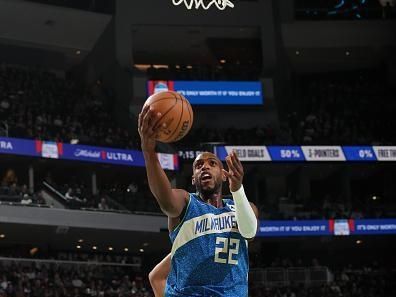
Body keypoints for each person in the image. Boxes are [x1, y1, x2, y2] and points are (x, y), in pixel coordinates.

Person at [138, 105, 259, 297]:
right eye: (198, 165)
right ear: (193, 178)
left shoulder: (243, 208)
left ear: (224, 174)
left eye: (212, 163)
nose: (205, 167)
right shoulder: (185, 202)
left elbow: (249, 232)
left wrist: (238, 190)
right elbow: (166, 201)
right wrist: (149, 153)